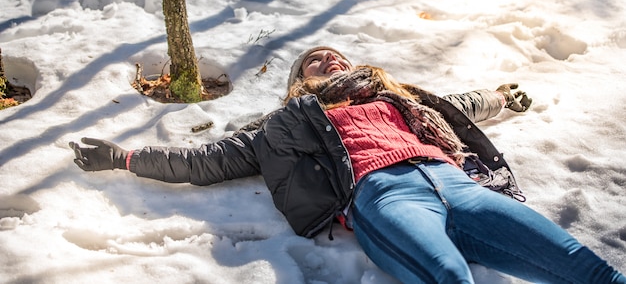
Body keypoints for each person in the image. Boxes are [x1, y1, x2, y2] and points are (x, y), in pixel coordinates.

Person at [70, 46, 625, 284]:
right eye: (315, 61)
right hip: (382, 197)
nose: (329, 60)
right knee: (446, 277)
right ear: (297, 84)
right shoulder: (281, 125)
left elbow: (457, 106)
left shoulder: (397, 95)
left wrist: (501, 96)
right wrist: (125, 157)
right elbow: (207, 161)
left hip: (460, 185)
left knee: (587, 267)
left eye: (336, 57)